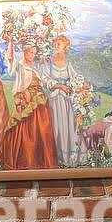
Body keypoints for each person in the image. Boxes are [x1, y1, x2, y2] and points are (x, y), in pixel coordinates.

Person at [2, 41, 57, 171]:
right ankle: (26, 161)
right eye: (31, 52)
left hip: (39, 100)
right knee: (27, 130)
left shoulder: (35, 67)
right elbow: (10, 59)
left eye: (34, 53)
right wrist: (11, 41)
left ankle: (41, 161)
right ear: (24, 51)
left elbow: (43, 81)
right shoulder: (19, 65)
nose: (32, 55)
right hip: (27, 101)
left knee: (43, 129)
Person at [40, 34, 86, 166]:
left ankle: (70, 156)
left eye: (59, 44)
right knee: (56, 126)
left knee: (68, 126)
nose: (56, 46)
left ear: (65, 47)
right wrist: (59, 86)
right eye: (55, 44)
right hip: (54, 100)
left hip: (67, 102)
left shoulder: (68, 64)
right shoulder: (48, 63)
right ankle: (57, 157)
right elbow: (44, 79)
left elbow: (75, 79)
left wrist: (82, 86)